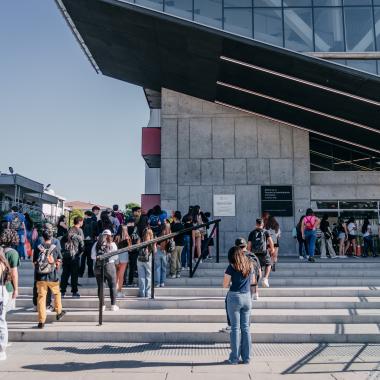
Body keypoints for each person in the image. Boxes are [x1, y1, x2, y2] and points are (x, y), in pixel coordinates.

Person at [223, 246, 255, 365]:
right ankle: (247, 358)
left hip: (234, 297)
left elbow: (225, 285)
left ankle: (234, 358)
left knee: (235, 328)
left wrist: (232, 281)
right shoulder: (250, 264)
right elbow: (252, 282)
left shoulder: (231, 266)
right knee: (245, 328)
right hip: (247, 297)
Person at [33, 228, 66, 329]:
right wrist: (56, 266)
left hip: (40, 277)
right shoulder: (55, 247)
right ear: (51, 237)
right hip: (53, 276)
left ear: (43, 237)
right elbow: (59, 259)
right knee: (56, 293)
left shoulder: (38, 247)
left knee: (41, 298)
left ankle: (41, 321)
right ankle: (59, 312)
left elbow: (34, 262)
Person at [32, 223, 61, 312]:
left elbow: (34, 256)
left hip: (39, 269)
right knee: (49, 288)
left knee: (37, 287)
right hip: (51, 269)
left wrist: (36, 267)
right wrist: (57, 267)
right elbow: (58, 257)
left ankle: (36, 305)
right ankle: (48, 305)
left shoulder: (39, 240)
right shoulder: (56, 241)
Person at [92, 230, 119, 311]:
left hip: (98, 266)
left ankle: (102, 305)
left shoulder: (96, 244)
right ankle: (113, 305)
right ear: (110, 236)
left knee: (101, 287)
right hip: (110, 266)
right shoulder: (113, 244)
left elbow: (93, 256)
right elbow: (115, 257)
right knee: (113, 286)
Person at [60, 216, 84, 298]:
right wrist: (79, 253)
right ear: (80, 222)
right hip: (75, 256)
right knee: (74, 274)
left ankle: (62, 291)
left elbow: (62, 241)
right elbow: (82, 244)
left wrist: (64, 251)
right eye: (82, 221)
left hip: (66, 256)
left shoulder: (69, 230)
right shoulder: (79, 231)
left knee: (65, 274)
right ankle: (74, 292)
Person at [247, 218, 274, 288]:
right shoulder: (265, 232)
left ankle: (255, 290)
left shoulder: (252, 233)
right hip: (264, 253)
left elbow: (249, 245)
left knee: (256, 270)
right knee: (268, 264)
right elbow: (271, 241)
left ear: (256, 224)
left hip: (254, 254)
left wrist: (248, 254)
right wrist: (272, 249)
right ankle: (265, 278)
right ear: (262, 224)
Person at [0, 229, 19, 313]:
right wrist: (16, 289)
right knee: (3, 313)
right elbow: (14, 274)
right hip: (6, 287)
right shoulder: (13, 253)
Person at [137, 227, 156, 298]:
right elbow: (155, 251)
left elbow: (137, 248)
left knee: (141, 277)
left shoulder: (140, 239)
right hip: (148, 259)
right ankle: (148, 293)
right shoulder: (152, 241)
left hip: (139, 259)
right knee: (148, 276)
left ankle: (142, 293)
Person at [79, 211, 98, 278]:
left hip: (83, 243)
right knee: (90, 259)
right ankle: (90, 273)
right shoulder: (94, 223)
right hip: (91, 243)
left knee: (83, 259)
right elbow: (96, 234)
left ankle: (80, 273)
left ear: (86, 215)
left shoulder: (83, 222)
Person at [0, 248, 11, 360]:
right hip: (3, 292)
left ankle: (2, 350)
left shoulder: (1, 265)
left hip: (1, 294)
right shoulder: (4, 263)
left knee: (1, 321)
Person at [114, 225, 131, 297]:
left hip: (116, 255)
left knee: (116, 274)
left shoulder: (116, 237)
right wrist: (128, 240)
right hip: (124, 255)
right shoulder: (127, 237)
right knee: (121, 275)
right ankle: (119, 291)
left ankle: (114, 291)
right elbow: (130, 248)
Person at [155, 222, 171, 287]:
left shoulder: (158, 232)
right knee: (163, 268)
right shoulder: (168, 233)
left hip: (158, 250)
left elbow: (155, 241)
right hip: (165, 251)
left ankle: (158, 282)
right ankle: (162, 282)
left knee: (158, 268)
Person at [126, 217, 140, 286]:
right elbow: (138, 239)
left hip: (126, 250)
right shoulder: (136, 229)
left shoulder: (125, 229)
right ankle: (131, 281)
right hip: (134, 250)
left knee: (127, 267)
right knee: (133, 267)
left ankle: (125, 281)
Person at [170, 211, 184, 279]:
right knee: (179, 258)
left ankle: (174, 273)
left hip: (175, 244)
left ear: (175, 217)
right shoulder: (182, 225)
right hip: (181, 244)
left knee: (173, 259)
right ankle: (179, 272)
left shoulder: (173, 225)